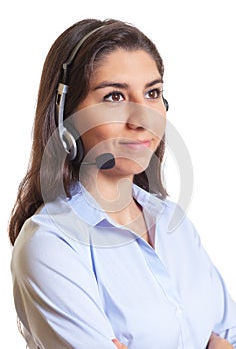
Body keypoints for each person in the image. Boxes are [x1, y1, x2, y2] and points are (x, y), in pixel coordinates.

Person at [8, 18, 236, 349]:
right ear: (65, 116)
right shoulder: (50, 244)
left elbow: (229, 333)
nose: (144, 119)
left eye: (152, 93)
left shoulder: (174, 223)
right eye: (115, 97)